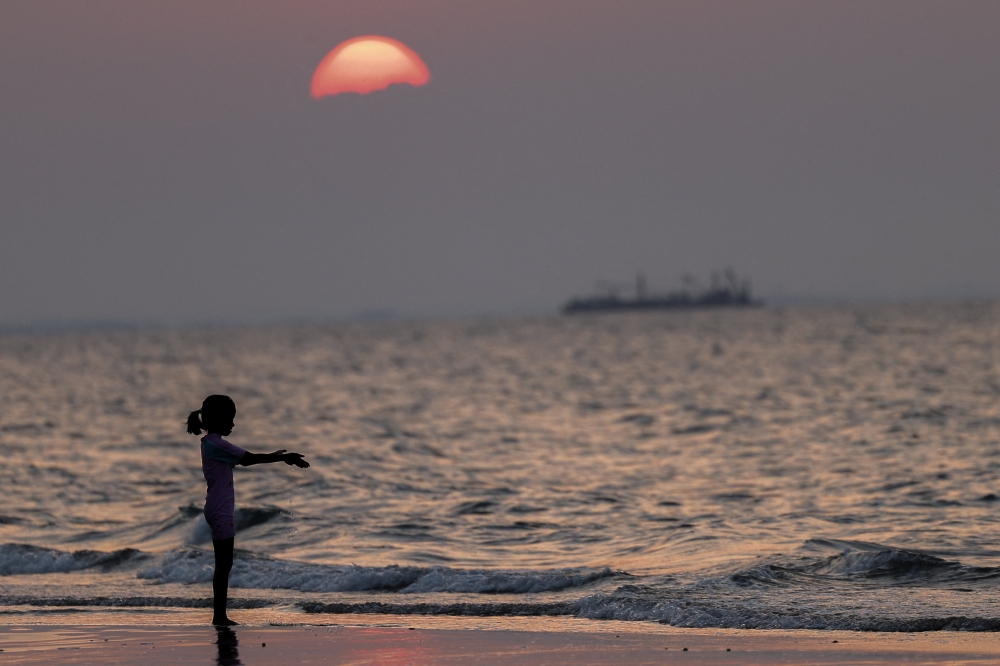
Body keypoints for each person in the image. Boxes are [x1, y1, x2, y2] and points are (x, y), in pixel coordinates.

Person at [186, 394, 309, 626]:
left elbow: (244, 459)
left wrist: (278, 456)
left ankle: (219, 615)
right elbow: (249, 459)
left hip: (217, 507)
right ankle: (219, 617)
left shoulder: (212, 444)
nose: (233, 423)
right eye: (230, 418)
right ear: (216, 418)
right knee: (224, 565)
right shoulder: (215, 443)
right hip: (220, 510)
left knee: (224, 564)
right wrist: (280, 457)